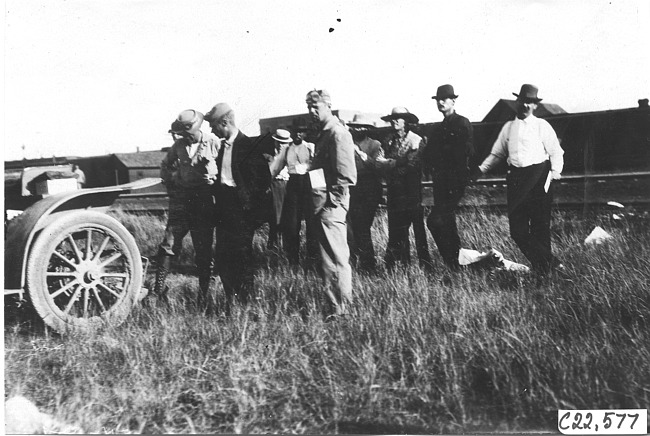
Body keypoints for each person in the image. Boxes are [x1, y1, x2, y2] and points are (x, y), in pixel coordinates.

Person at [475, 84, 564, 274]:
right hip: (516, 179)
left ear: (535, 106)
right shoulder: (508, 127)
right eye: (523, 101)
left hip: (539, 177)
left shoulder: (541, 125)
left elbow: (556, 151)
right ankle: (552, 263)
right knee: (518, 231)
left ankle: (543, 274)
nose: (526, 105)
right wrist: (480, 169)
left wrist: (556, 171)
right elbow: (496, 153)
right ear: (517, 101)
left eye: (530, 102)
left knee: (540, 228)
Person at [205, 102, 274, 314]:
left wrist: (248, 212)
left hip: (242, 211)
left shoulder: (249, 147)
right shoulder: (220, 147)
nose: (212, 130)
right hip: (224, 208)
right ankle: (231, 303)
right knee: (224, 257)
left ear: (225, 123)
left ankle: (246, 305)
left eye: (214, 126)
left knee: (242, 258)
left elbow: (261, 183)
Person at [155, 110, 220, 312]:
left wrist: (215, 183)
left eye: (190, 130)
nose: (187, 135)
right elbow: (165, 165)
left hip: (204, 201)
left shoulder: (213, 142)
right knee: (168, 244)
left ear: (198, 126)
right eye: (184, 132)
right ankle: (158, 290)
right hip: (183, 200)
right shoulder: (179, 145)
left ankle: (204, 295)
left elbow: (225, 167)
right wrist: (172, 183)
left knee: (203, 248)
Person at [305, 89, 356, 319]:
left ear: (328, 105)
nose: (312, 111)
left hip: (331, 207)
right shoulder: (323, 134)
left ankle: (343, 310)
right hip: (321, 205)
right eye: (309, 107)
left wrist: (332, 204)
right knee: (326, 262)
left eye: (316, 107)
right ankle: (334, 308)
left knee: (336, 259)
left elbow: (346, 175)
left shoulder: (337, 133)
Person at [421, 84, 474, 270]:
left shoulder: (461, 123)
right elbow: (428, 155)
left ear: (453, 101)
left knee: (435, 220)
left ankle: (453, 261)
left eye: (445, 99)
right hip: (440, 181)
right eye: (438, 100)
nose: (441, 102)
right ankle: (455, 264)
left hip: (455, 180)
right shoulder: (437, 128)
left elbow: (463, 151)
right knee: (447, 222)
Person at [376, 107, 433, 272]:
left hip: (411, 190)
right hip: (394, 190)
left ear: (405, 121)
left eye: (399, 118)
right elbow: (380, 163)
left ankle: (426, 266)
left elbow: (412, 163)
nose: (395, 121)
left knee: (418, 229)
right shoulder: (388, 140)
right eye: (393, 118)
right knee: (396, 229)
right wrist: (392, 163)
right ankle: (399, 266)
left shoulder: (416, 140)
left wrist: (390, 163)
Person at [269, 126, 319, 267]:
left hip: (309, 184)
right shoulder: (287, 150)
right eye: (296, 131)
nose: (298, 134)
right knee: (291, 224)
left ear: (304, 133)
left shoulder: (310, 147)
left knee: (312, 223)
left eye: (301, 131)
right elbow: (275, 168)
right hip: (293, 184)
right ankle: (293, 260)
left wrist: (318, 190)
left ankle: (312, 260)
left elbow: (317, 167)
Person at [346, 114, 383, 273]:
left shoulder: (375, 145)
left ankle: (369, 266)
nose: (359, 129)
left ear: (367, 129)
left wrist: (361, 154)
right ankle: (354, 263)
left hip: (369, 187)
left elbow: (377, 166)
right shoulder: (347, 144)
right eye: (356, 127)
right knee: (352, 227)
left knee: (362, 227)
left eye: (362, 127)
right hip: (352, 187)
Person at [265, 129, 291, 250]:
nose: (281, 145)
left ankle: (286, 247)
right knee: (275, 218)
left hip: (288, 187)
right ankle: (274, 246)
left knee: (287, 218)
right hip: (275, 187)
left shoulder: (291, 157)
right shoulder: (270, 157)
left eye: (283, 143)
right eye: (278, 142)